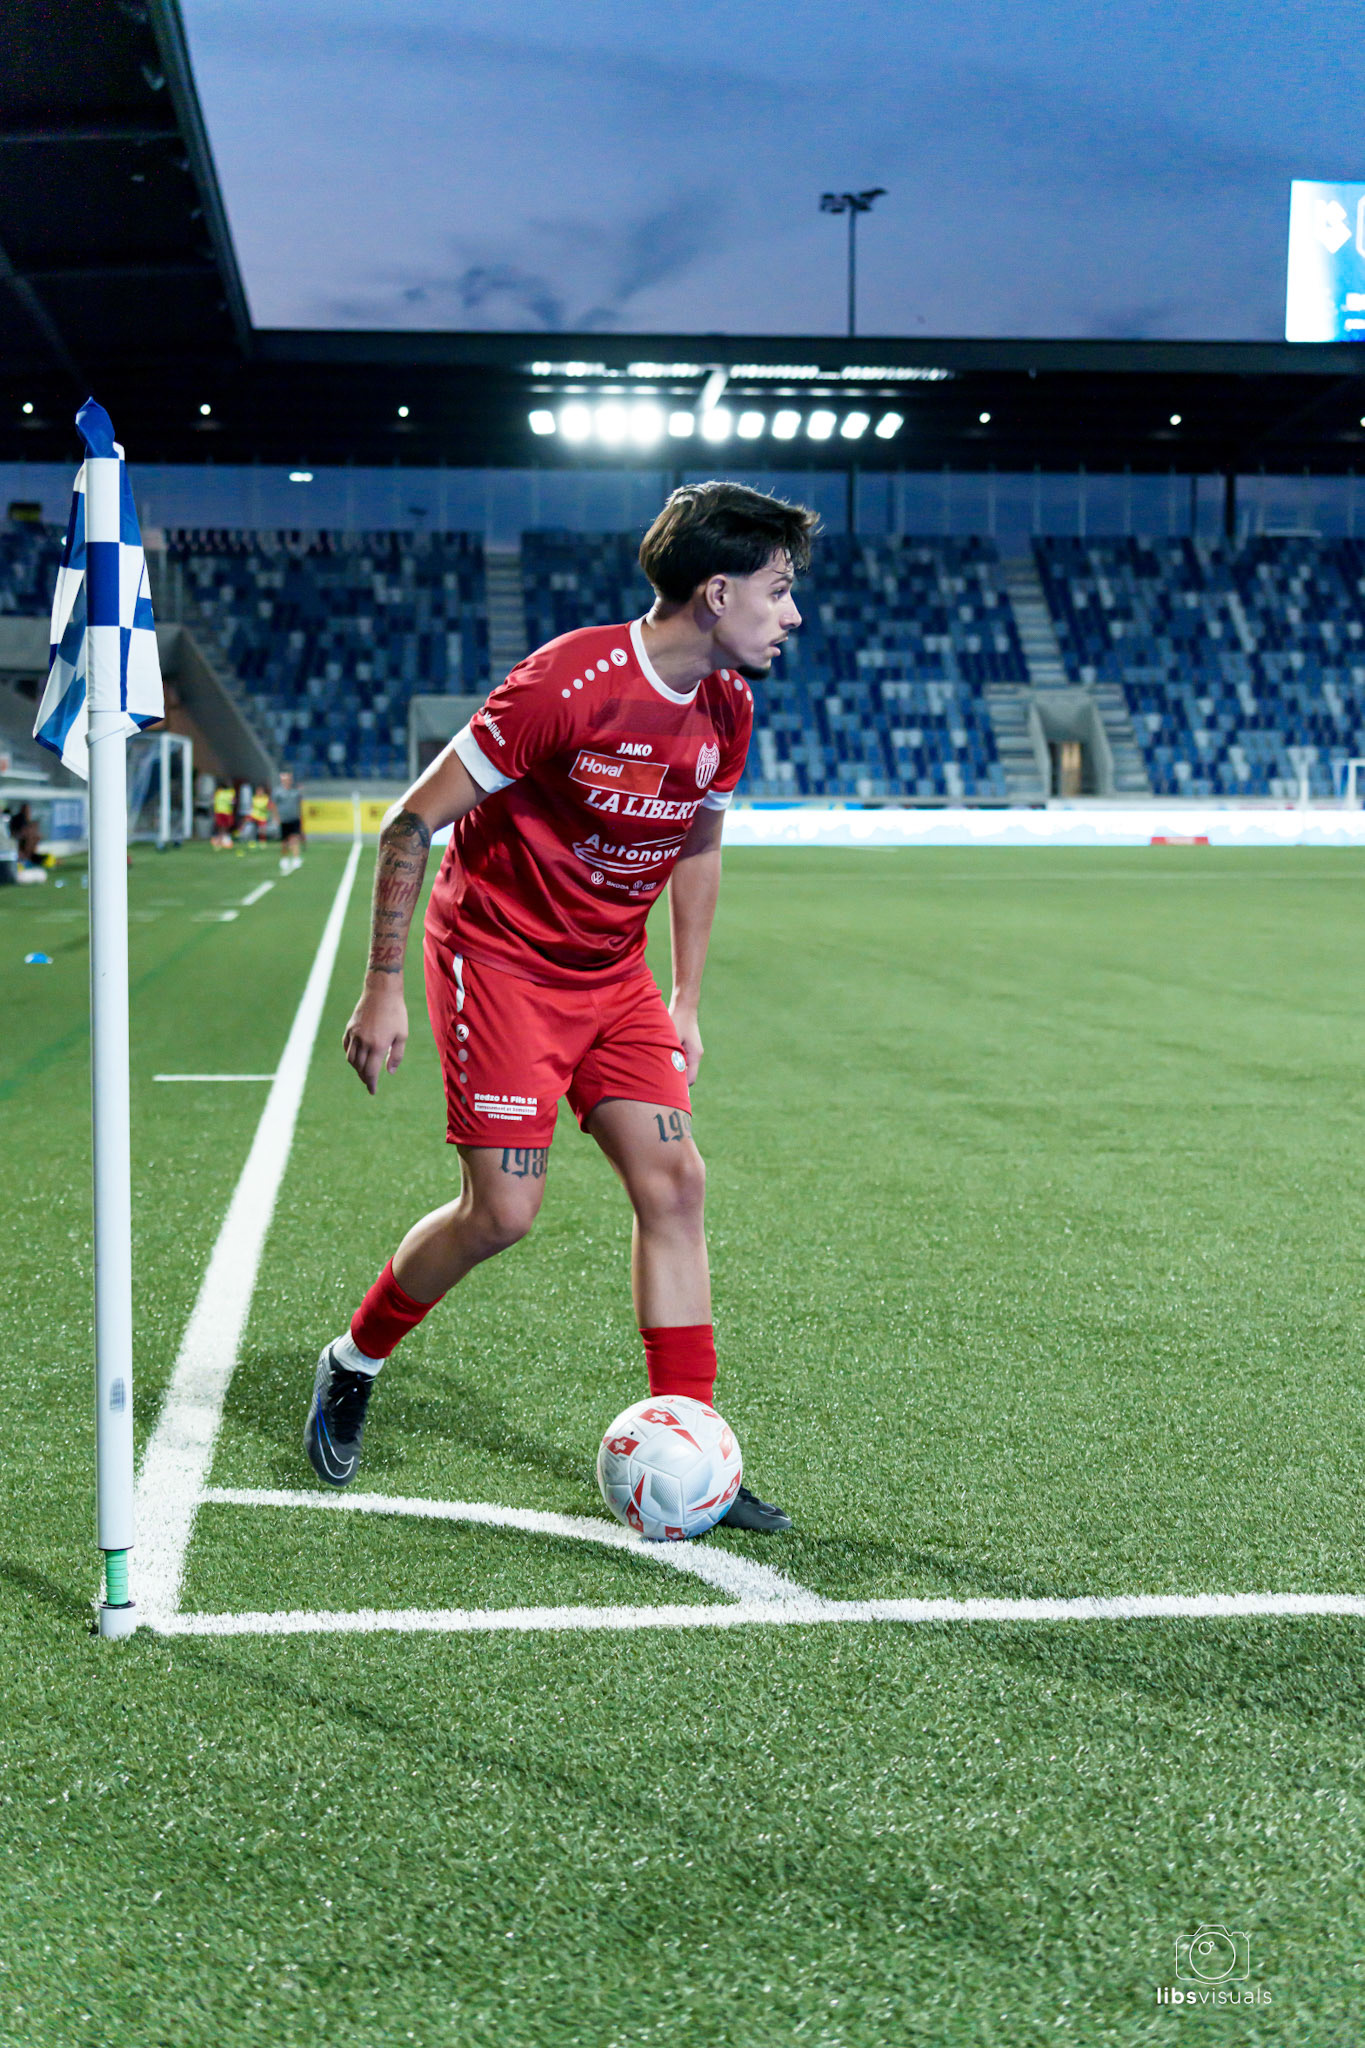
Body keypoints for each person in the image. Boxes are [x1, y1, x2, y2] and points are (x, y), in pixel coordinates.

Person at [304, 481, 813, 1532]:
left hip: (612, 973)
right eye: (779, 589)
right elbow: (410, 824)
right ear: (715, 592)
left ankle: (694, 1447)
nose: (792, 613)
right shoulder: (567, 683)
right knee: (504, 1213)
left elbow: (699, 844)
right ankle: (355, 1357)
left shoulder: (731, 706)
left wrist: (686, 998)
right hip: (499, 962)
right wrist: (385, 983)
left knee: (675, 1182)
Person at [274, 768, 304, 873]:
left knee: (294, 838)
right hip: (283, 819)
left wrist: (300, 816)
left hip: (294, 818)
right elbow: (273, 805)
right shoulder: (278, 792)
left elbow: (299, 804)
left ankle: (296, 858)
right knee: (284, 841)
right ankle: (284, 858)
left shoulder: (295, 792)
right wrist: (276, 817)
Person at [210, 779, 236, 848]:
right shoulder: (221, 792)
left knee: (224, 826)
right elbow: (233, 802)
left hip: (224, 811)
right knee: (222, 826)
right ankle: (221, 838)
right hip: (221, 811)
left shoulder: (229, 792)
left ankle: (223, 838)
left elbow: (232, 802)